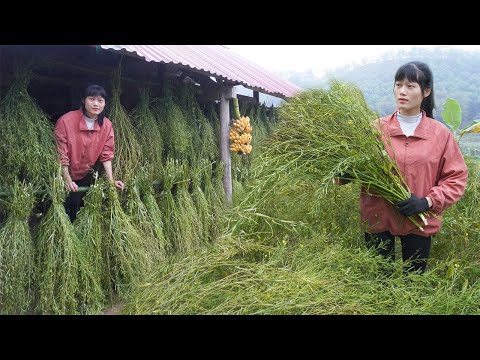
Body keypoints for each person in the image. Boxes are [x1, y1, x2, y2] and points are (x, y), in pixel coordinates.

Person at [340, 61, 468, 273]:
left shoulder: (440, 134)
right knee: (381, 284)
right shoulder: (375, 129)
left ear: (426, 91)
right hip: (377, 218)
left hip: (419, 219)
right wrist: (345, 172)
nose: (402, 91)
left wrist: (427, 201)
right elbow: (350, 168)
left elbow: (456, 178)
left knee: (414, 284)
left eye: (410, 86)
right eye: (398, 85)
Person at [54, 84, 124, 222]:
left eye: (100, 100)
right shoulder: (66, 121)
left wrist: (111, 181)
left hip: (84, 173)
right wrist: (67, 179)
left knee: (75, 206)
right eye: (91, 99)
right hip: (61, 174)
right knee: (58, 206)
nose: (96, 104)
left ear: (105, 103)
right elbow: (60, 152)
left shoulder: (106, 125)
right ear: (83, 100)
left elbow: (107, 154)